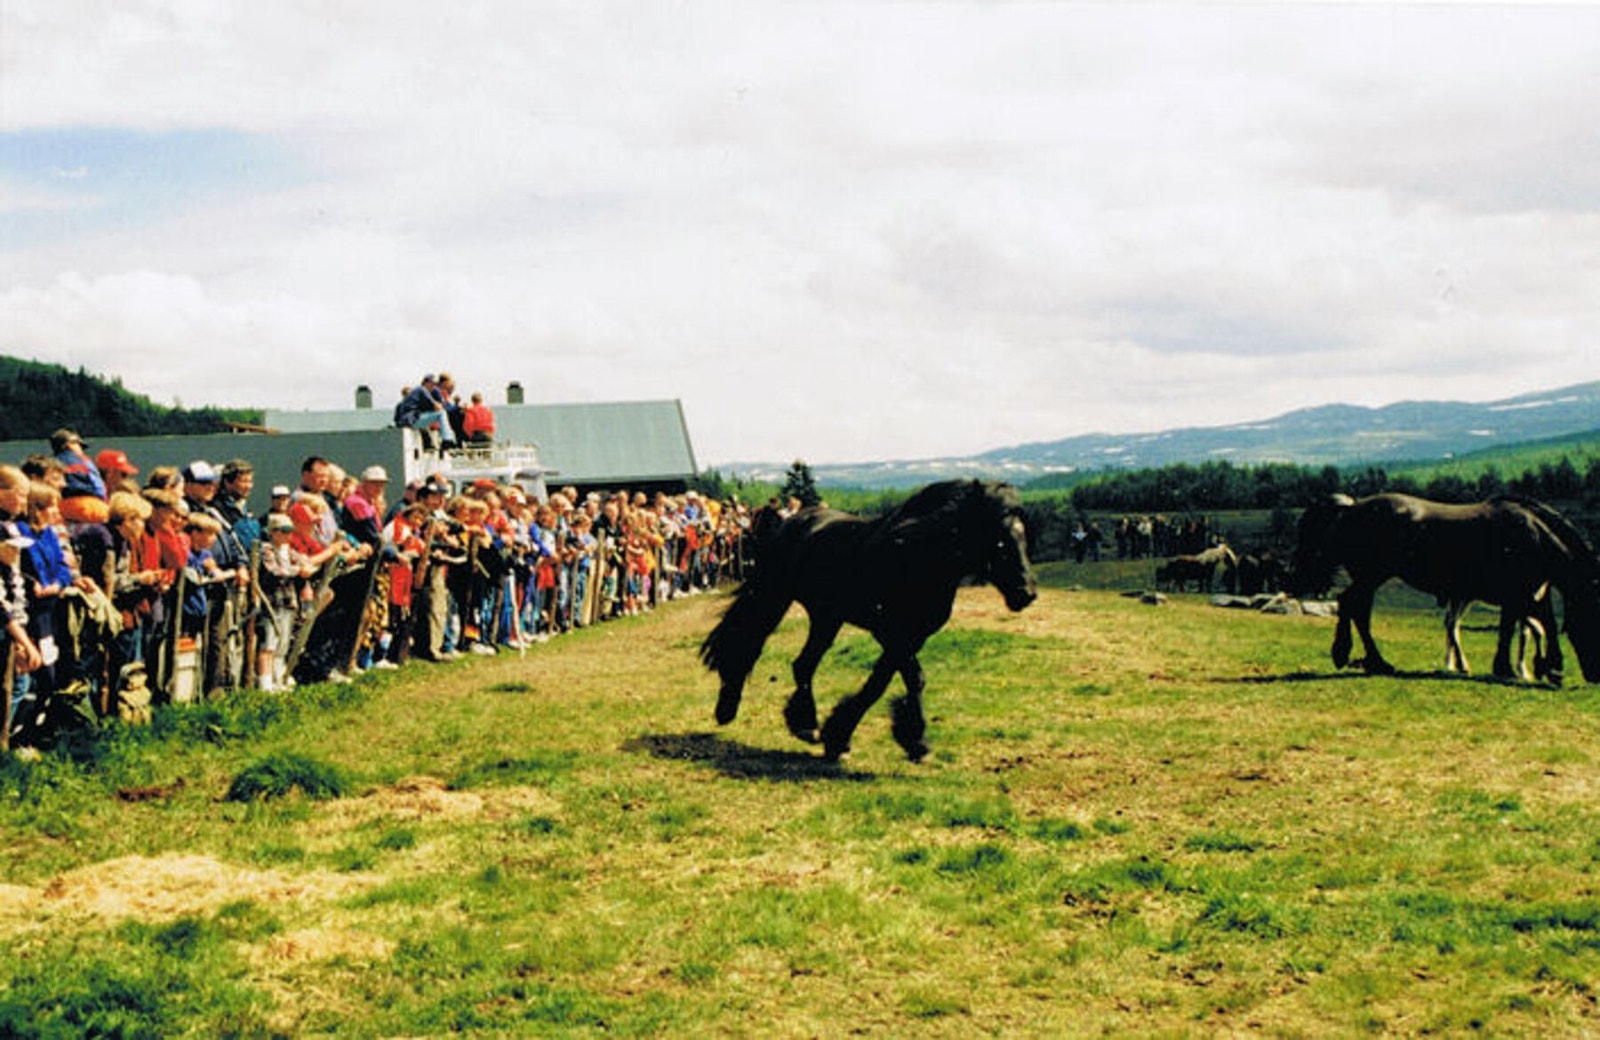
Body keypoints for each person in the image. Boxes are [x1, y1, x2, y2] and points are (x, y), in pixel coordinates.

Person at [51, 429, 109, 525]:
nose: (82, 450)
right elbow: (99, 488)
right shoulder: (84, 461)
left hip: (61, 508)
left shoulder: (50, 462)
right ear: (70, 444)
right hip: (90, 506)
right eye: (80, 445)